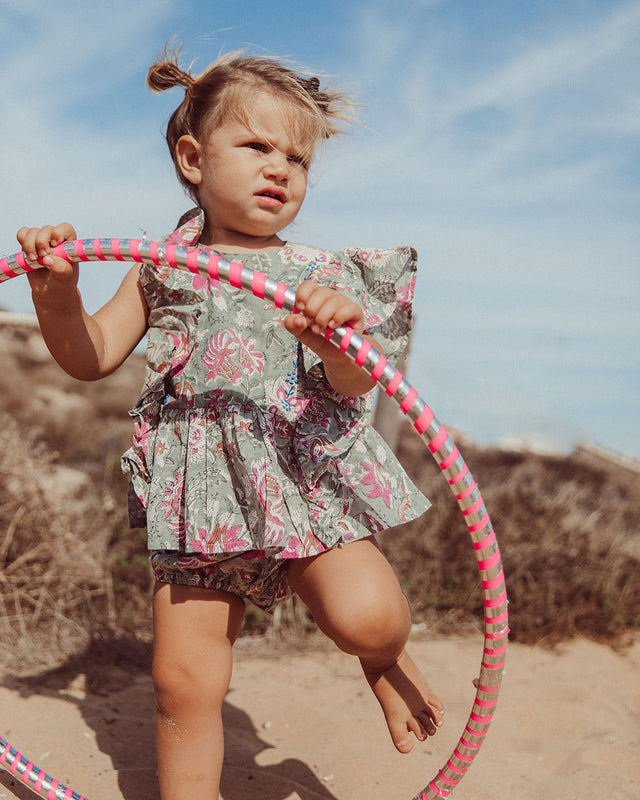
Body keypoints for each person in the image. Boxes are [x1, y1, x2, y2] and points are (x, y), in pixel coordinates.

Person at [17, 47, 445, 800]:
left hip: (305, 476)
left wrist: (337, 338)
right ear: (192, 157)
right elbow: (93, 357)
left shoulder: (322, 276)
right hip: (199, 493)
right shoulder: (160, 268)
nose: (280, 168)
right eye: (256, 146)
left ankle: (384, 660)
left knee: (368, 619)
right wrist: (57, 297)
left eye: (297, 158)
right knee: (183, 680)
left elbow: (356, 382)